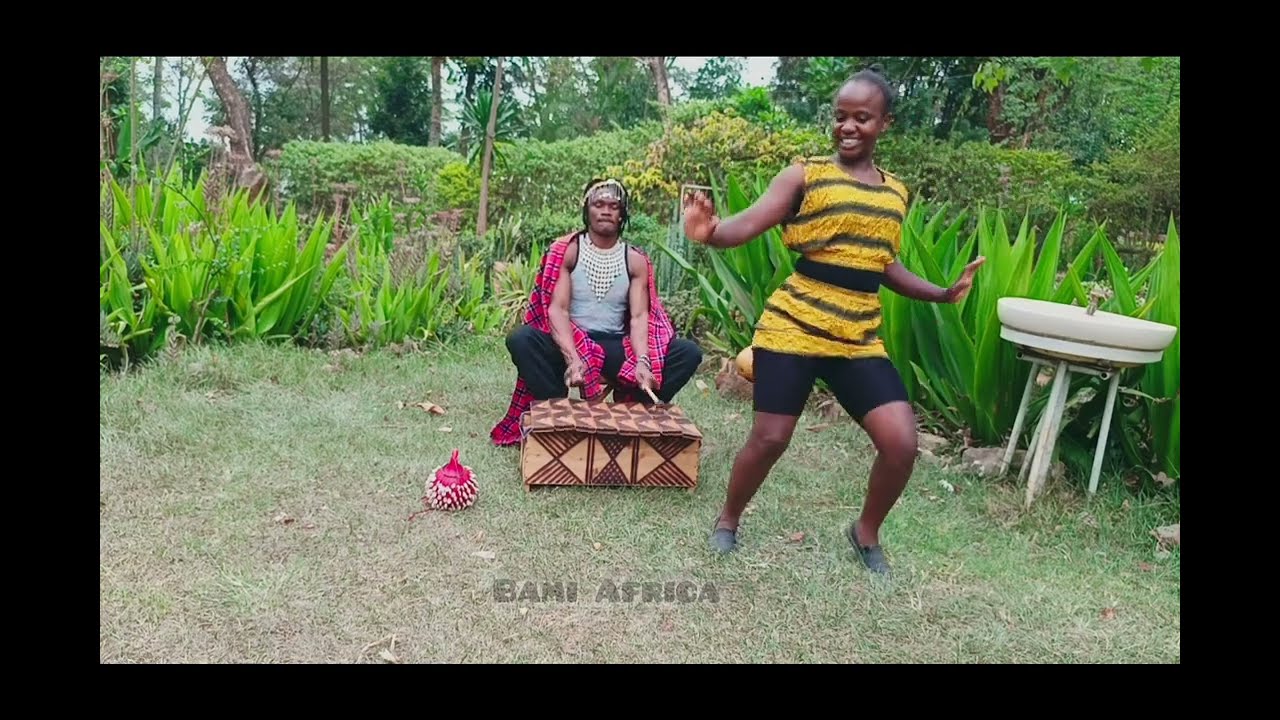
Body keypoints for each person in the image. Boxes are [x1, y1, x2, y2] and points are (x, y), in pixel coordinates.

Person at [682, 66, 984, 575]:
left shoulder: (895, 193)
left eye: (861, 118)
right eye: (840, 116)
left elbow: (883, 264)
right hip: (794, 325)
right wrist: (709, 231)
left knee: (901, 443)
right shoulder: (805, 174)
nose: (848, 126)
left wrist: (942, 292)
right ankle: (729, 520)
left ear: (884, 123)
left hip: (856, 335)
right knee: (771, 438)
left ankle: (865, 533)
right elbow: (749, 223)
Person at [491, 178, 704, 447]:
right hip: (571, 340)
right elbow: (558, 309)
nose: (605, 210)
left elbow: (640, 318)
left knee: (687, 352)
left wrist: (642, 361)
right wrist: (572, 358)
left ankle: (633, 413)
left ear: (622, 213)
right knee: (521, 339)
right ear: (587, 210)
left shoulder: (635, 259)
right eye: (598, 204)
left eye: (613, 206)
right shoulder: (568, 251)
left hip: (615, 346)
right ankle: (556, 411)